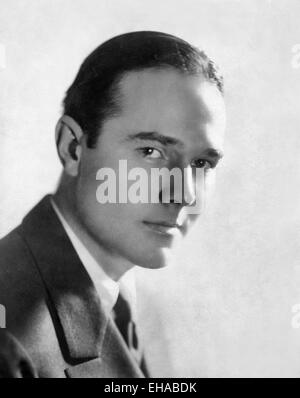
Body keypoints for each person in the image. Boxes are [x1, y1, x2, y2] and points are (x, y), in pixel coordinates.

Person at [0, 31, 226, 378]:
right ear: (72, 148)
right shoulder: (10, 340)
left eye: (201, 164)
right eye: (151, 152)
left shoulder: (150, 315)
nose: (183, 195)